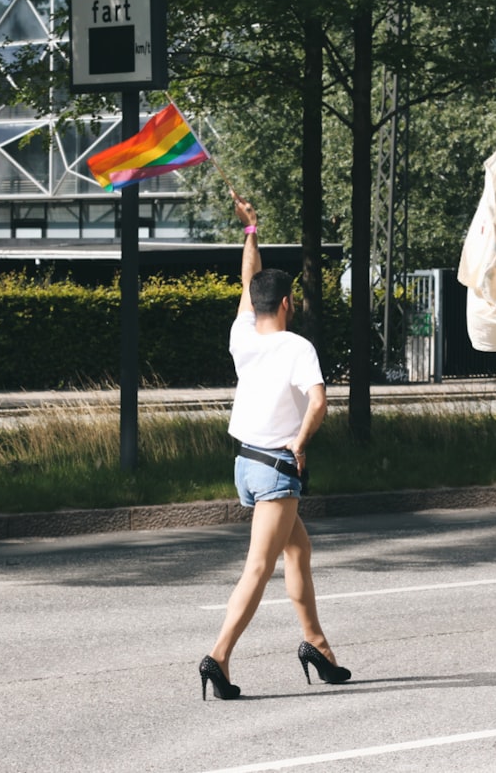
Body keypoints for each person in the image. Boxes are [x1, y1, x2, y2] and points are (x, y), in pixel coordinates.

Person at [198, 193, 351, 700]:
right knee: (259, 569)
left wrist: (251, 232)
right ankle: (218, 657)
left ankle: (318, 647)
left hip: (245, 463)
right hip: (276, 467)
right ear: (287, 303)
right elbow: (320, 403)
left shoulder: (242, 334)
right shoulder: (296, 347)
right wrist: (301, 442)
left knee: (298, 551)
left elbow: (249, 280)